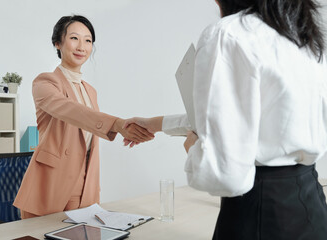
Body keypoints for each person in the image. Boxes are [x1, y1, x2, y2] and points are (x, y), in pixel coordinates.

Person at [125, 0, 327, 239]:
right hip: (310, 205)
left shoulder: (227, 34)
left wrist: (194, 148)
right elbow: (256, 120)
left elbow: (225, 175)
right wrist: (157, 124)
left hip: (260, 213)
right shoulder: (302, 37)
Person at [13, 15, 154, 219]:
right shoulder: (45, 83)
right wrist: (116, 124)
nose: (82, 46)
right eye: (74, 38)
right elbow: (70, 110)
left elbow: (90, 130)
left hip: (86, 183)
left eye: (88, 40)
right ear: (58, 43)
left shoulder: (90, 91)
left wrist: (128, 129)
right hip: (52, 183)